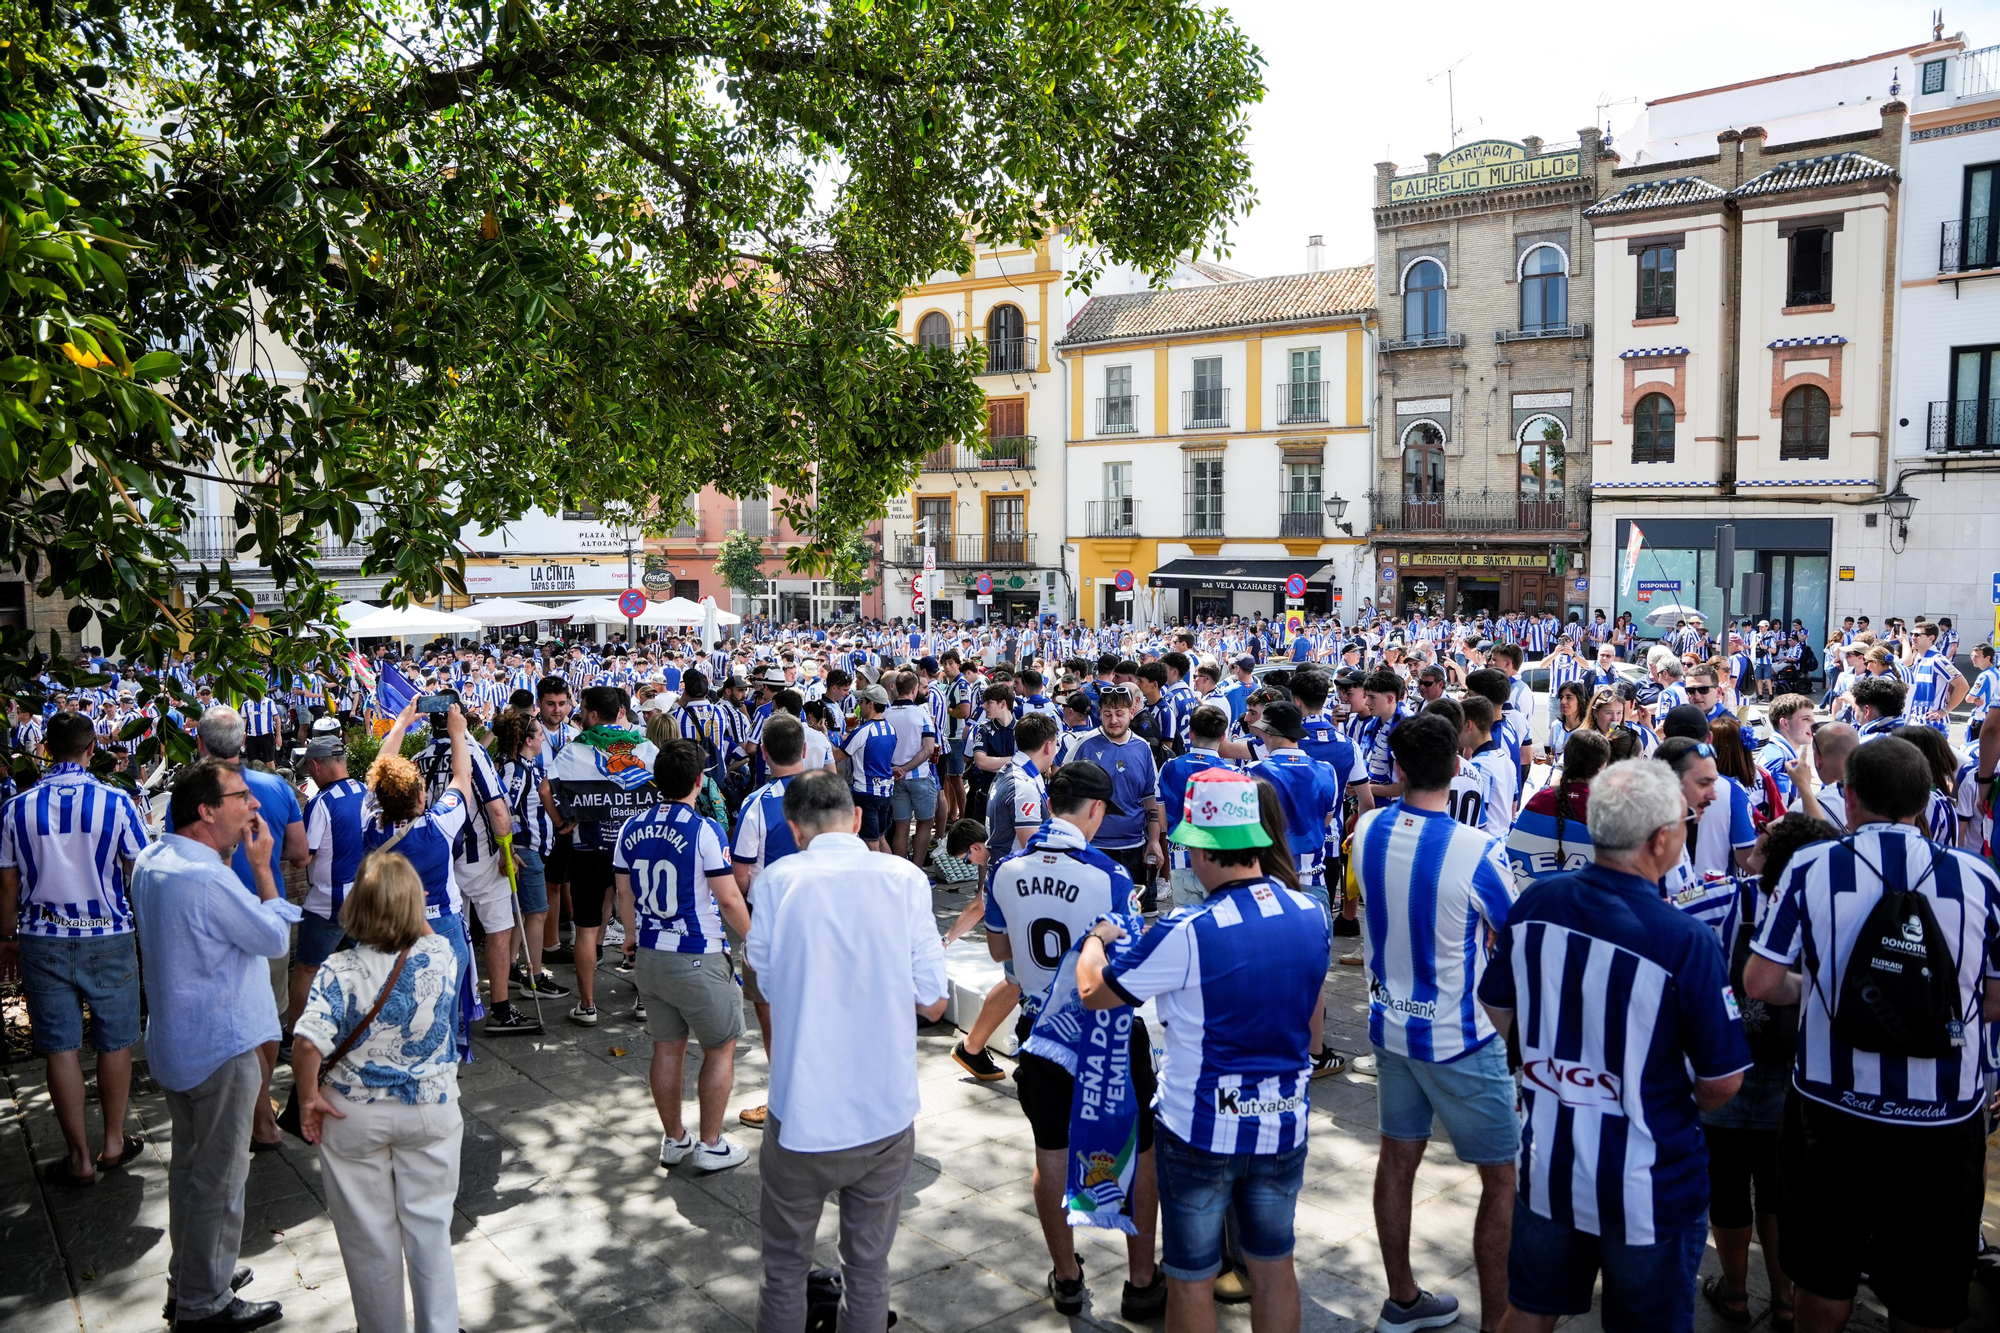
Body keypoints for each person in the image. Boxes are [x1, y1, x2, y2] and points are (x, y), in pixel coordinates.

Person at [1478, 759, 1749, 1333]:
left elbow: (1497, 1006)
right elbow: (1723, 1080)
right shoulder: (1685, 940)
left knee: (1529, 1310)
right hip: (1649, 1182)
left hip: (1549, 1163)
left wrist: (1553, 1068)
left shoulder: (1537, 904)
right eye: (1686, 822)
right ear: (1660, 840)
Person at [1746, 736, 2000, 1333]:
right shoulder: (1979, 878)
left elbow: (1760, 982)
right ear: (1924, 801)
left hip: (1832, 1107)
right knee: (1928, 1289)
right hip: (1943, 1116)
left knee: (1824, 1269)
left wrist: (1828, 990)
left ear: (1851, 797)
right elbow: (1994, 1003)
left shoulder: (1811, 866)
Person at [1077, 769, 1329, 1333]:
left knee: (1191, 1278)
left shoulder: (1186, 928)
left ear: (1205, 850)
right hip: (1283, 1122)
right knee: (1274, 1267)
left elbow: (1095, 994)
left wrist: (1096, 939)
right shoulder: (1311, 911)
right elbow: (1313, 1023)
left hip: (1198, 1131)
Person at [747, 770, 948, 1333]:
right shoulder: (905, 879)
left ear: (794, 829)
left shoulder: (777, 881)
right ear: (857, 819)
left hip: (800, 1117)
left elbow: (762, 981)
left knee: (784, 1271)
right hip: (884, 1115)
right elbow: (933, 1002)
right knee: (867, 1268)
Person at [1352, 713, 1518, 1333]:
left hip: (1390, 1026)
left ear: (1396, 768)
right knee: (1502, 1180)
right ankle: (1497, 1322)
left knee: (1397, 1159)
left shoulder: (1367, 828)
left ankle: (1402, 1299)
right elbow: (1516, 934)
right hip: (1461, 1039)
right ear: (1456, 765)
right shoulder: (1478, 850)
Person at [985, 762, 1164, 1321]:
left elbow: (998, 951)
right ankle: (1141, 1282)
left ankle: (1066, 1277)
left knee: (1050, 1151)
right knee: (1140, 1151)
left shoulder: (1005, 868)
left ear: (1050, 805)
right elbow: (1129, 965)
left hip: (1040, 1033)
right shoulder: (1109, 875)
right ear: (1096, 810)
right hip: (1106, 1034)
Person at [131, 760, 301, 1332]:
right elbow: (274, 937)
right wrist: (263, 868)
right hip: (219, 1048)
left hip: (179, 1042)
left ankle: (193, 1277)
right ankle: (204, 1303)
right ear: (206, 811)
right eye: (241, 797)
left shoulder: (156, 859)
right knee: (220, 1180)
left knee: (190, 1171)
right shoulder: (205, 879)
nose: (253, 806)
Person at [293, 851, 463, 1333]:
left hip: (353, 1113)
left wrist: (307, 1099)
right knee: (431, 1230)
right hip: (430, 1107)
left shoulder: (339, 968)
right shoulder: (442, 954)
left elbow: (307, 1042)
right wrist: (414, 907)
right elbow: (422, 935)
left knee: (368, 1240)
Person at [0, 711, 149, 1185]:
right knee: (116, 1042)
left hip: (40, 938)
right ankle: (113, 1142)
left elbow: (7, 885)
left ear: (45, 748)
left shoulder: (15, 808)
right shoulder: (117, 802)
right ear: (91, 749)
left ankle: (79, 1158)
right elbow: (141, 868)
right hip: (107, 934)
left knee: (60, 1048)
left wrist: (6, 938)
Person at [1697, 814, 1832, 1331]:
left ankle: (1734, 1294)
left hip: (1729, 1065)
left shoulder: (1727, 898)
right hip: (1795, 1073)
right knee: (1779, 1195)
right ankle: (1785, 1300)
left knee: (1728, 1186)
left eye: (1765, 837)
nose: (1758, 834)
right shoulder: (1827, 907)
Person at [616, 738, 752, 1171]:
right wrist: (757, 938)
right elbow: (728, 898)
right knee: (721, 1048)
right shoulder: (704, 829)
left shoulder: (630, 826)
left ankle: (674, 1139)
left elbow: (623, 893)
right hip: (698, 953)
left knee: (667, 1048)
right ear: (698, 781)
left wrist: (630, 937)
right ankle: (711, 1144)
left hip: (650, 955)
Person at [291, 734, 370, 1051]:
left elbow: (302, 857)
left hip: (327, 903)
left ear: (315, 765)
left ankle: (294, 1036)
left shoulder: (320, 803)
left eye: (310, 770)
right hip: (364, 898)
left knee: (307, 968)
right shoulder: (367, 791)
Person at [491, 707, 569, 1003]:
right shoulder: (517, 769)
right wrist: (509, 850)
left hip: (529, 850)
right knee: (537, 913)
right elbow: (504, 809)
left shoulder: (526, 766)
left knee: (522, 913)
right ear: (527, 740)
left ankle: (513, 968)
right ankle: (535, 976)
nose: (543, 739)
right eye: (538, 734)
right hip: (525, 850)